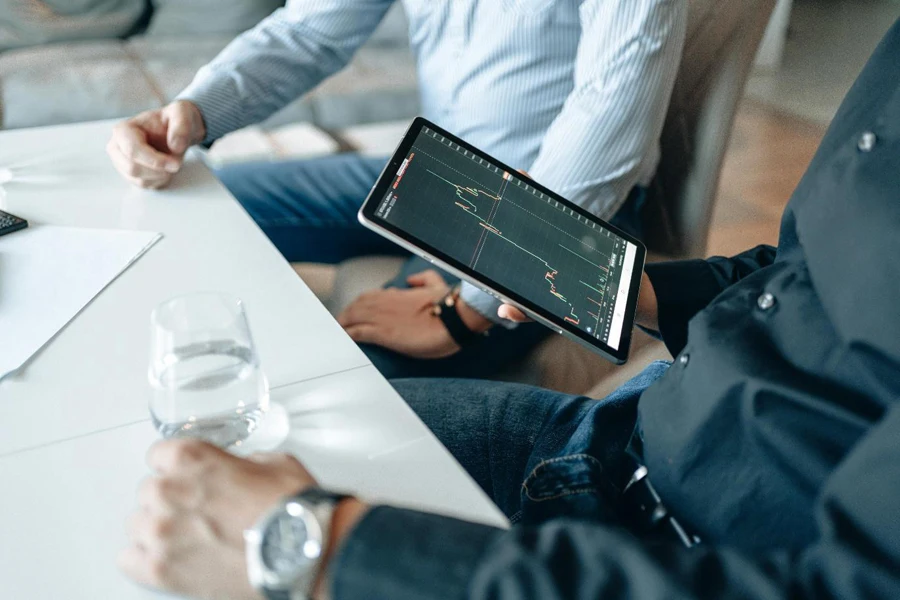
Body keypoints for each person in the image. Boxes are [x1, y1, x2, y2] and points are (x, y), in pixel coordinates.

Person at [119, 19, 900, 600]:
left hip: (682, 539)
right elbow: (800, 270)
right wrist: (637, 293)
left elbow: (610, 113)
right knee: (250, 399)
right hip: (617, 430)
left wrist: (473, 304)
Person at [106, 0, 688, 380]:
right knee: (196, 207)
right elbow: (308, 32)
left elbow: (608, 117)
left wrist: (467, 308)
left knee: (363, 377)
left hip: (563, 214)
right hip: (431, 166)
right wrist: (190, 114)